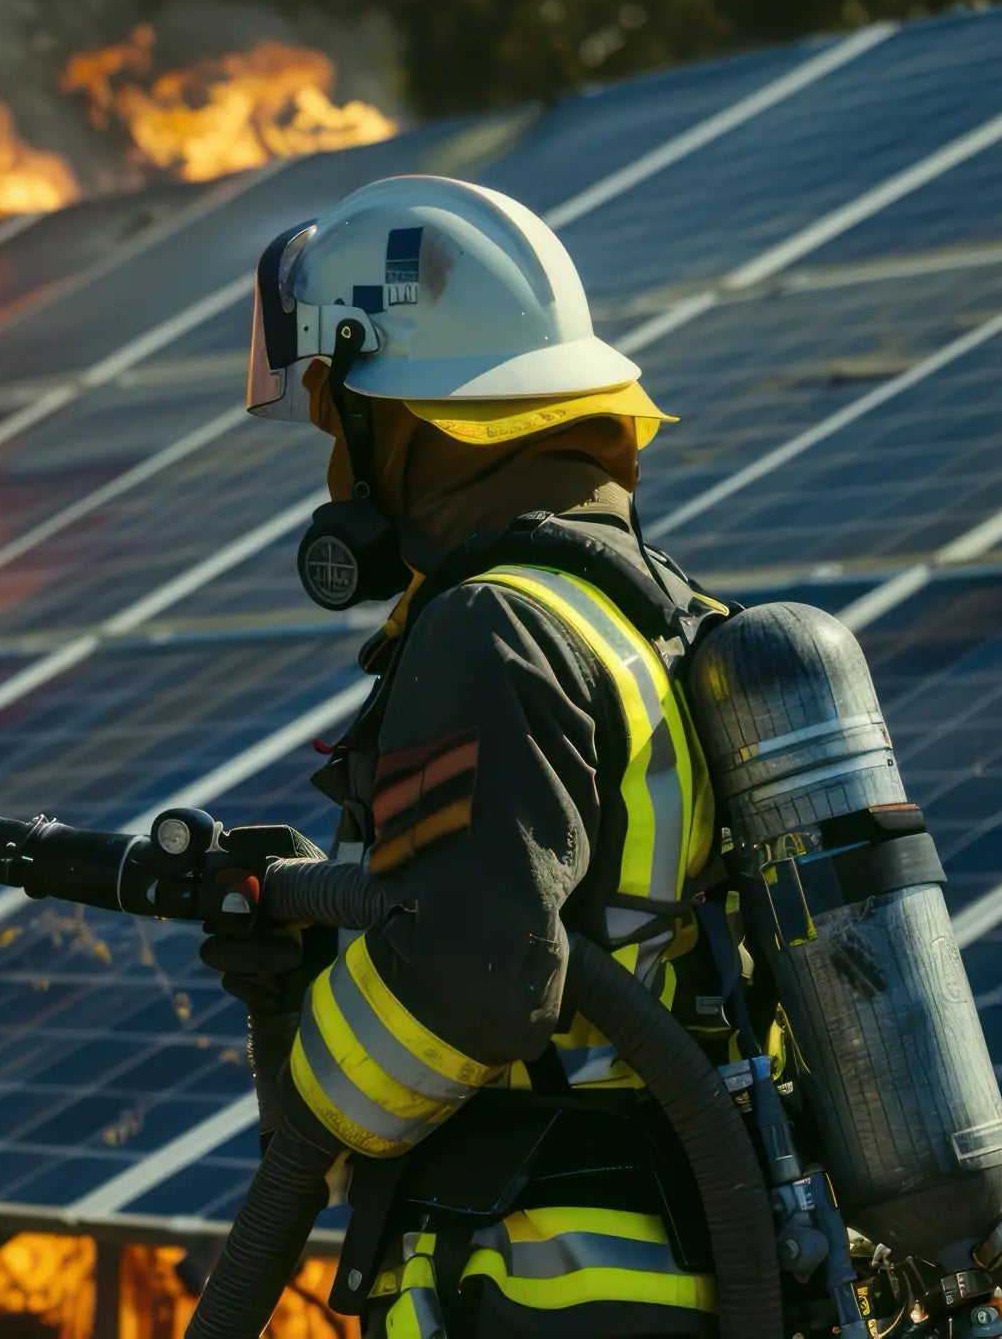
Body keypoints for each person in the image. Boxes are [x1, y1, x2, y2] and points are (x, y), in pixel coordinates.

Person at [206, 175, 735, 1337]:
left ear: (390, 416)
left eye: (332, 424)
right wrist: (324, 939)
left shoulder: (490, 628)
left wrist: (310, 1068)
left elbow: (474, 983)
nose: (333, 480)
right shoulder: (661, 621)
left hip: (544, 1286)